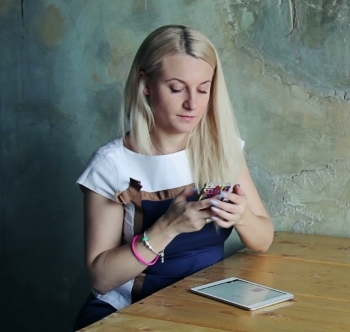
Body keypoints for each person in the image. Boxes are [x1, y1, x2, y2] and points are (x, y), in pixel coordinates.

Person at [73, 25, 274, 330]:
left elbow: (263, 240)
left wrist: (242, 216)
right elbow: (101, 278)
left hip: (201, 309)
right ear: (146, 85)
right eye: (177, 88)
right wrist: (166, 228)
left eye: (203, 89)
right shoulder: (112, 165)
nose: (192, 104)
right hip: (128, 314)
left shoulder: (222, 149)